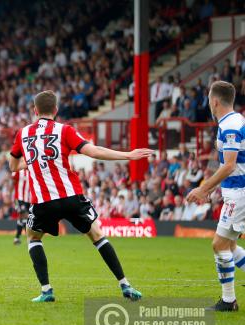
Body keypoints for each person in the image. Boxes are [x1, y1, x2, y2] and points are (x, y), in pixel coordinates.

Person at [9, 90, 153, 303]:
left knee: (33, 238)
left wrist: (32, 161)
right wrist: (127, 155)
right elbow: (93, 152)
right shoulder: (64, 130)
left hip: (43, 201)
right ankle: (125, 285)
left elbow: (13, 166)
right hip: (71, 196)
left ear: (35, 110)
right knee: (97, 236)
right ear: (56, 111)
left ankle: (47, 291)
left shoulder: (23, 134)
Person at [186, 81, 245, 312]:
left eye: (209, 100)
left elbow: (229, 166)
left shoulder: (230, 125)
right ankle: (228, 300)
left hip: (238, 194)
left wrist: (204, 188)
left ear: (215, 101)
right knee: (229, 247)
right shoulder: (235, 120)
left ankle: (228, 301)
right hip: (235, 192)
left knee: (219, 245)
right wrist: (211, 187)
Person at [12, 169, 31, 245]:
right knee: (24, 215)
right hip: (19, 198)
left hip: (28, 199)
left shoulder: (31, 171)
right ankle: (30, 237)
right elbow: (13, 182)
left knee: (21, 218)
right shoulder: (18, 171)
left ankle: (17, 238)